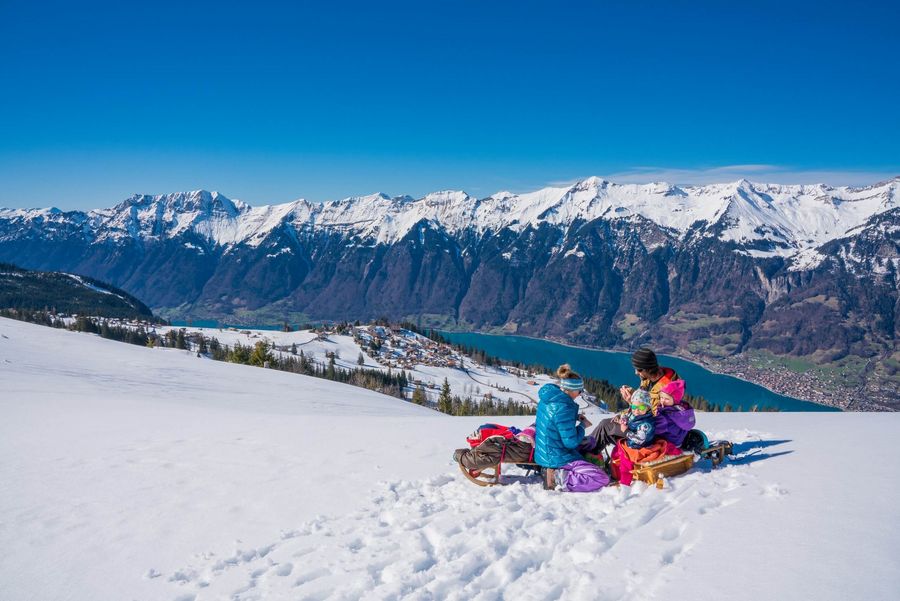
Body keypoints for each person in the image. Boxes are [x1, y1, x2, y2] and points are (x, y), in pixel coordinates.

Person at [587, 347, 682, 452]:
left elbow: (650, 417)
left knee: (605, 426)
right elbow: (643, 405)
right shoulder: (650, 378)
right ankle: (589, 450)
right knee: (607, 424)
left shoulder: (665, 391)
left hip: (648, 435)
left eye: (639, 369)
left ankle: (585, 452)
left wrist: (630, 403)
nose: (636, 372)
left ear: (649, 368)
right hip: (640, 425)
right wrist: (633, 397)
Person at [534, 364, 609, 492]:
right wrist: (582, 426)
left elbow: (555, 419)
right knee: (601, 478)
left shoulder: (550, 398)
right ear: (571, 390)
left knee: (589, 442)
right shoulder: (564, 408)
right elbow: (571, 442)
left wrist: (574, 417)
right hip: (555, 457)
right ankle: (558, 477)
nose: (580, 394)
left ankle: (551, 471)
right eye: (579, 391)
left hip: (544, 451)